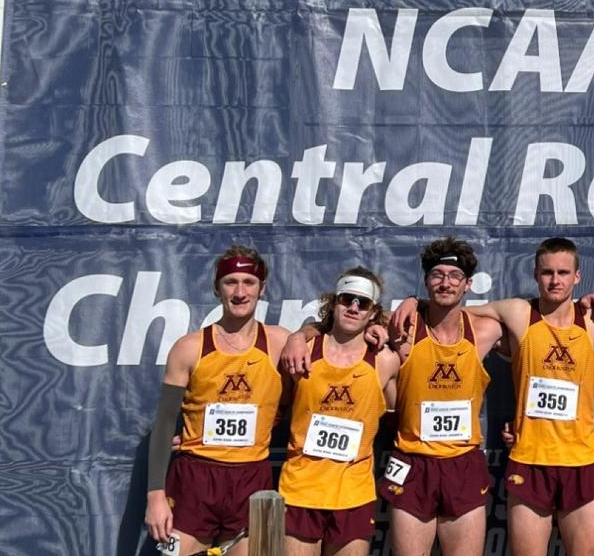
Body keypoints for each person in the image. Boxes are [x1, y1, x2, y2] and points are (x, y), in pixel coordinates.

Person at [392, 237, 594, 556]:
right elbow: (455, 307)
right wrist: (413, 301)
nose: (555, 280)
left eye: (563, 273)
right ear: (534, 274)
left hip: (581, 461)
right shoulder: (517, 313)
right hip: (529, 459)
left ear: (577, 277)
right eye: (547, 273)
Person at [282, 238, 503, 556]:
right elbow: (341, 325)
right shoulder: (401, 329)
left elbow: (529, 312)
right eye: (437, 275)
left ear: (469, 284)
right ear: (426, 280)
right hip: (411, 462)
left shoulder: (486, 330)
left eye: (454, 276)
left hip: (462, 464)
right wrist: (298, 335)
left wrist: (414, 299)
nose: (445, 282)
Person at [145, 245, 288, 556]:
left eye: (249, 282)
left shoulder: (279, 342)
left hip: (253, 481)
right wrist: (155, 497)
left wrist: (306, 333)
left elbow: (333, 340)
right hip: (195, 481)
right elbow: (165, 421)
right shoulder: (189, 347)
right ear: (216, 288)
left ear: (262, 289)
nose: (239, 292)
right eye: (230, 282)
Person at [279, 267, 401, 556]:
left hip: (353, 494)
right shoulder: (302, 349)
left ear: (373, 313)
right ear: (333, 303)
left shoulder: (384, 361)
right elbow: (268, 406)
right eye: (347, 299)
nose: (354, 307)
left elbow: (404, 415)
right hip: (300, 490)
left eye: (364, 302)